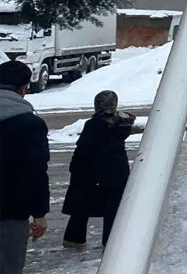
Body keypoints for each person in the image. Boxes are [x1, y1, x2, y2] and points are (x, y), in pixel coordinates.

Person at [61, 90, 134, 250]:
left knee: (82, 204)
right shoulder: (122, 124)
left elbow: (83, 149)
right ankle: (111, 240)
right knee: (113, 208)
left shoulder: (94, 125)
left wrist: (75, 167)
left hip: (91, 169)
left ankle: (75, 239)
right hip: (116, 170)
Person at [0, 61, 49, 274]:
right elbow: (35, 172)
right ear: (23, 88)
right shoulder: (31, 125)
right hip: (11, 213)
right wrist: (39, 214)